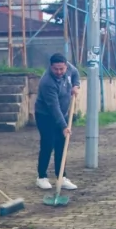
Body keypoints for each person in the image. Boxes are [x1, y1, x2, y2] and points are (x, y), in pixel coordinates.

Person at [34, 53, 80, 191]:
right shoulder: (47, 82)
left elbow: (76, 74)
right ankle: (41, 177)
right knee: (48, 144)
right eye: (56, 69)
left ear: (66, 66)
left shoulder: (70, 69)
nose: (59, 72)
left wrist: (76, 86)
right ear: (51, 67)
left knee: (62, 145)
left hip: (63, 113)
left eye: (62, 69)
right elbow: (53, 107)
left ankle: (62, 177)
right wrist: (64, 126)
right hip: (45, 116)